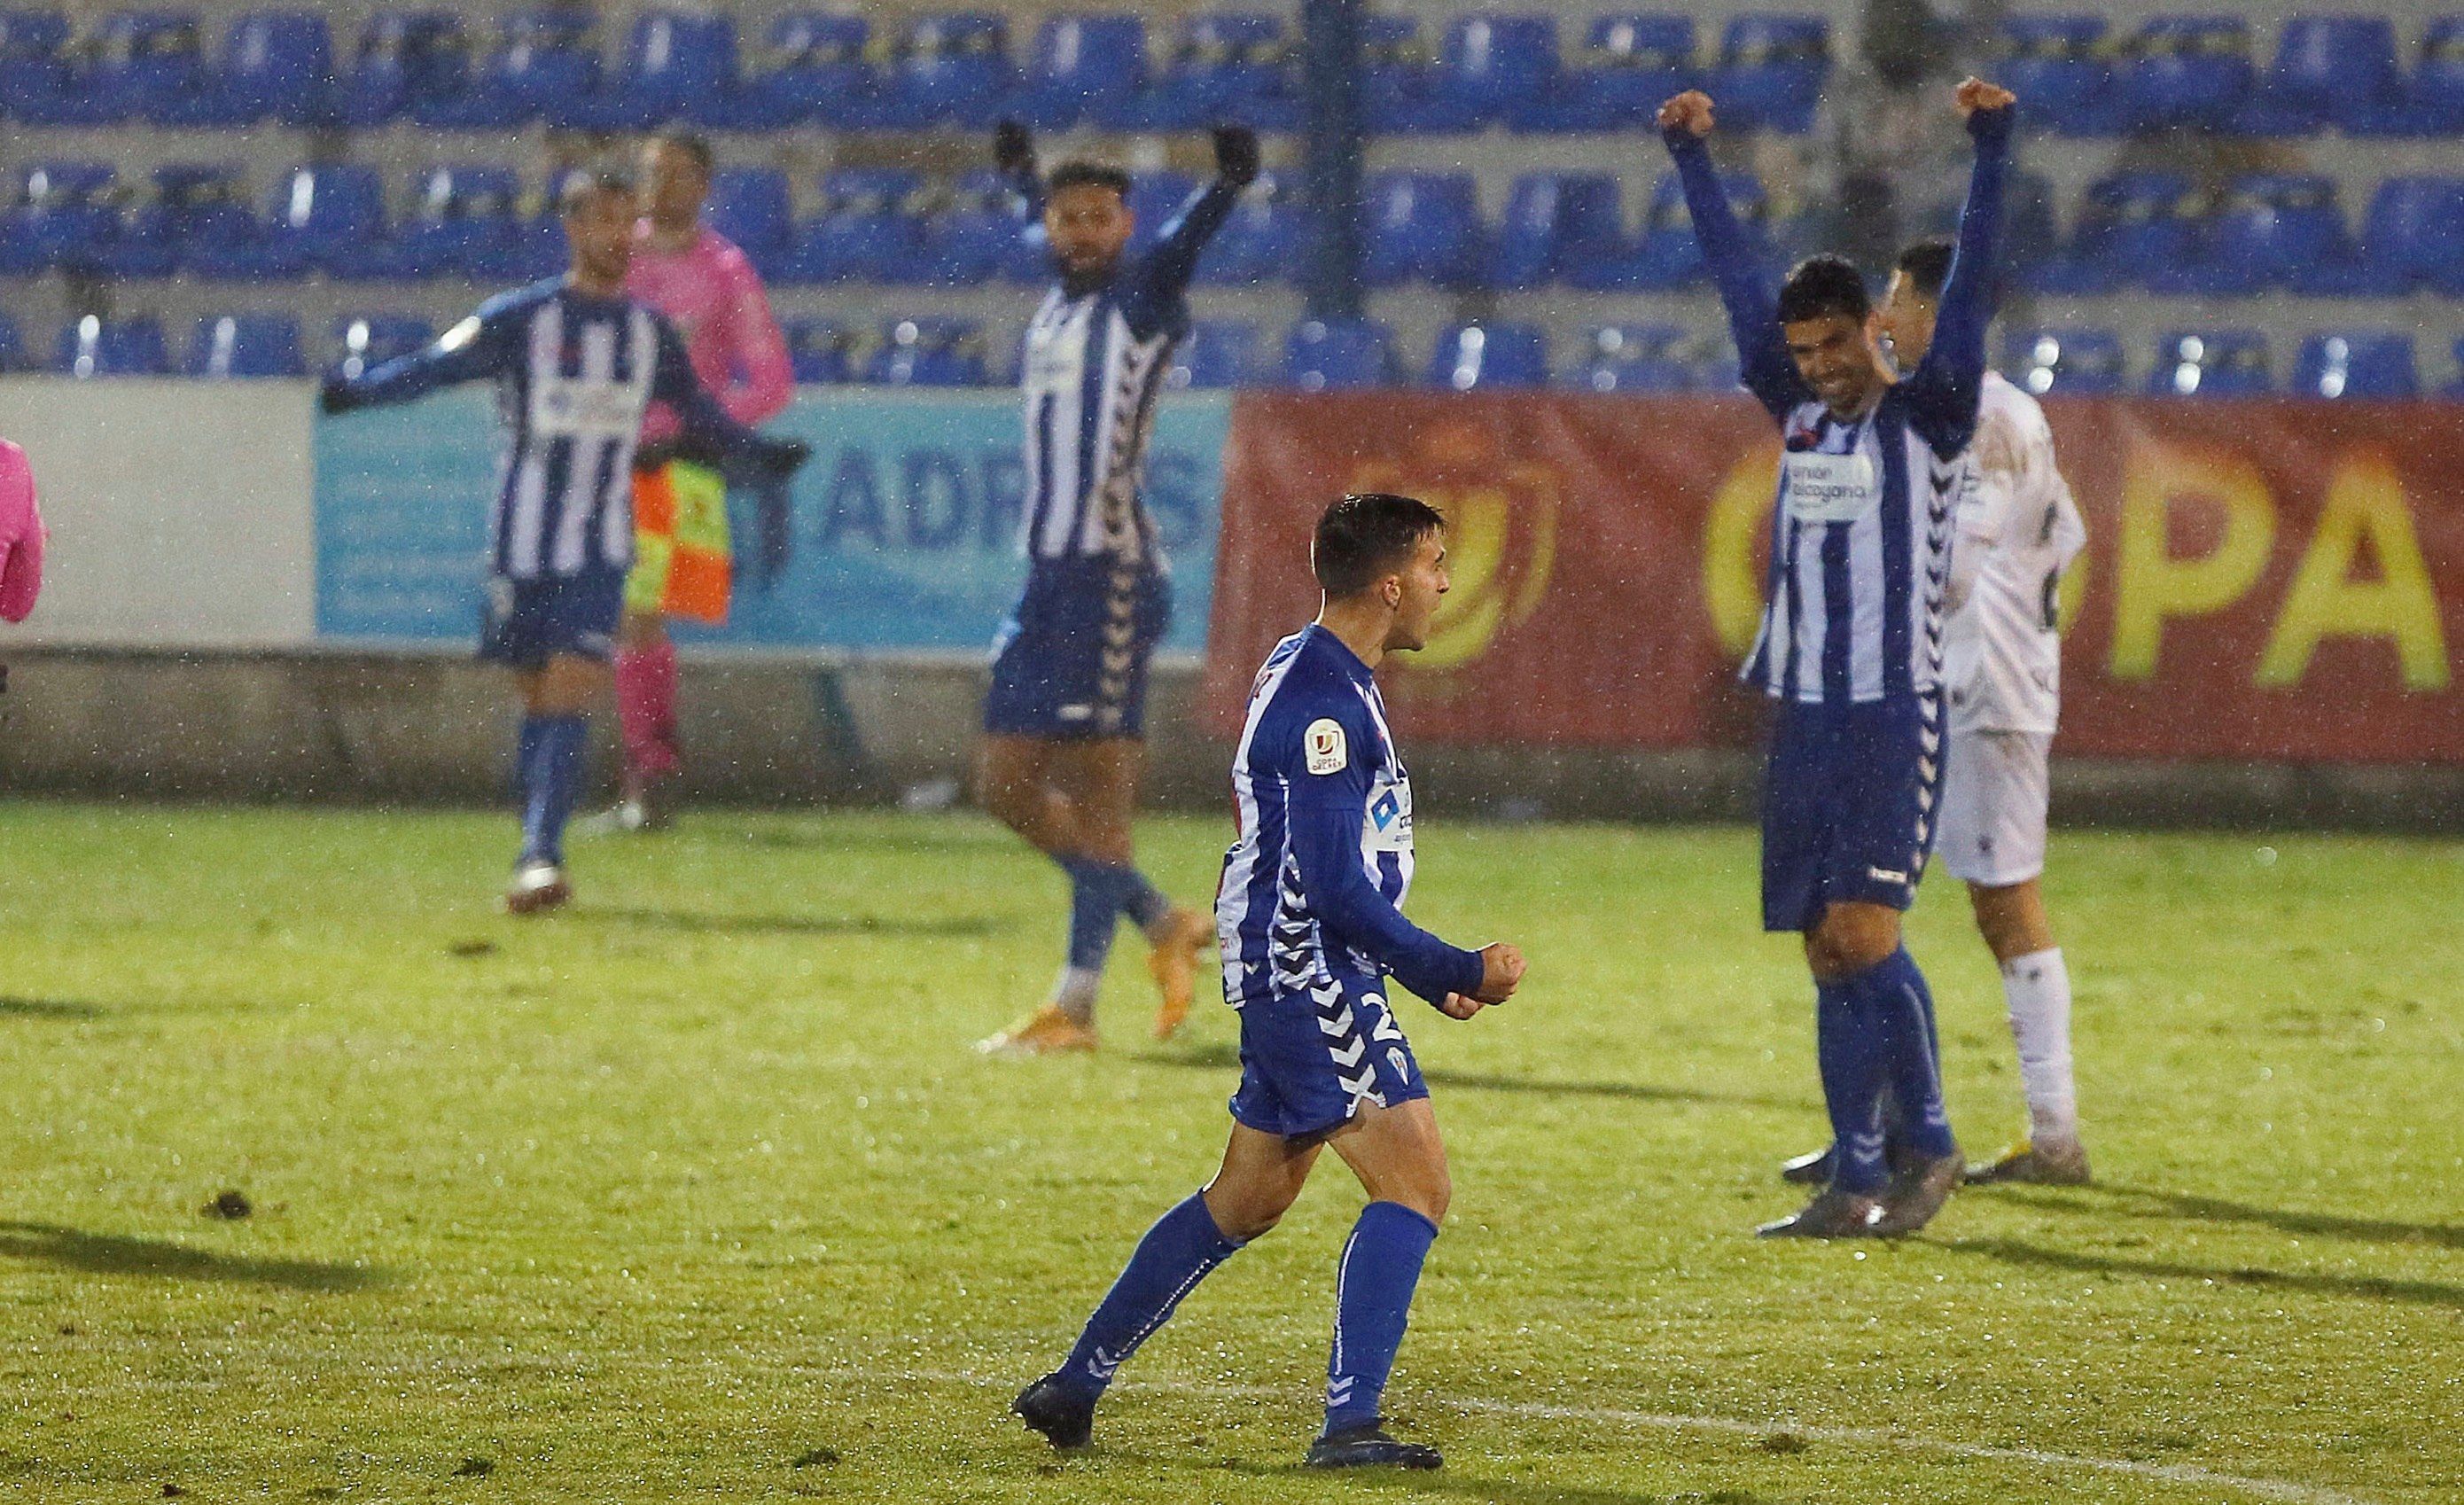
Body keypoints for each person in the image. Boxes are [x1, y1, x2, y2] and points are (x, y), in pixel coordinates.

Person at [1010, 492, 1525, 1470]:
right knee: (1414, 1187)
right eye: (1433, 565)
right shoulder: (1324, 704)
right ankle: (1348, 1426)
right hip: (1308, 966)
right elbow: (1330, 885)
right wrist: (1447, 967)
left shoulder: (1311, 664)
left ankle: (1072, 1387)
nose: (1445, 583)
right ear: (1388, 583)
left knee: (1244, 1199)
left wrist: (1416, 972)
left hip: (1292, 962)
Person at [1657, 77, 2016, 1237]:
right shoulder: (1798, 412)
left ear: (1874, 329)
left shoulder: (1933, 414)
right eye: (1800, 350)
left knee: (1865, 932)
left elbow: (1969, 289)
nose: (1815, 368)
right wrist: (1694, 164)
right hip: (1804, 716)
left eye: (1831, 345)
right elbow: (1727, 282)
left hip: (1891, 714)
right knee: (1827, 948)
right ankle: (1863, 1171)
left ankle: (1923, 1148)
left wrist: (1992, 147)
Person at [320, 170, 807, 914]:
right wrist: (360, 392)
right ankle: (536, 840)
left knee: (572, 684)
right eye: (604, 222)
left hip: (603, 542)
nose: (620, 237)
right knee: (538, 696)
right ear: (573, 229)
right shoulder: (521, 320)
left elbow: (699, 415)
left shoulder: (648, 335)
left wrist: (757, 454)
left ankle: (541, 856)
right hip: (521, 544)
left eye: (628, 224)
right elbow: (438, 368)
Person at [974, 120, 1257, 1055]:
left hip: (1110, 576)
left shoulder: (1138, 298)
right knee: (1003, 783)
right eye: (1068, 219)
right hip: (1048, 575)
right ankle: (1156, 918)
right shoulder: (1057, 299)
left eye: (1101, 218)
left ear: (1126, 226)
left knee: (1098, 797)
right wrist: (1021, 173)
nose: (1083, 232)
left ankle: (1076, 1005)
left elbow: (1180, 250)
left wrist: (1225, 187)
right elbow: (1038, 214)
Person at [1882, 238, 2091, 1185]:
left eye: (1894, 299)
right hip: (1971, 682)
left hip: (1980, 688)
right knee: (1870, 901)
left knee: (2004, 905)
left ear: (1933, 310)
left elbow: (1953, 568)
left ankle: (2054, 1138)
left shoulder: (1979, 419)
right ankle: (1886, 1121)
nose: (1883, 318)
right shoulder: (2008, 411)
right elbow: (2068, 533)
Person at [592, 129, 796, 835]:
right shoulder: (614, 259)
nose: (662, 187)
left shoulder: (725, 271)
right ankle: (649, 770)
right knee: (627, 615)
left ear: (705, 186)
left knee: (638, 610)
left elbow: (770, 380)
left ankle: (650, 774)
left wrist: (702, 426)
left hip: (675, 464)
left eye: (679, 175)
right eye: (652, 173)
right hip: (602, 456)